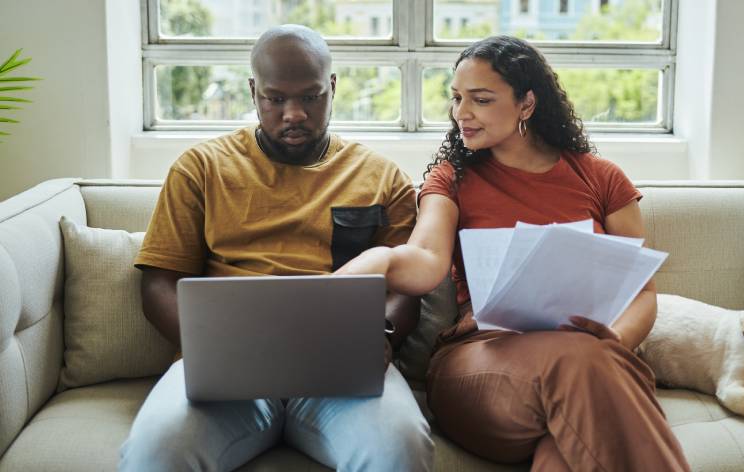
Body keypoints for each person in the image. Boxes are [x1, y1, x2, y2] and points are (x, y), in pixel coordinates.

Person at [336, 36, 691, 471]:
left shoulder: (602, 179)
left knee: (568, 438)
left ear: (527, 104)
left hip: (586, 366)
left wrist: (614, 342)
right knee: (582, 364)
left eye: (480, 100)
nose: (460, 113)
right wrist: (380, 262)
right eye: (456, 98)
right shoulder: (452, 179)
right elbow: (427, 258)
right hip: (481, 362)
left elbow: (640, 292)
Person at [119, 25, 434, 472]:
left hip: (341, 376)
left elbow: (406, 289)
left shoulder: (382, 178)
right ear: (253, 91)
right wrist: (221, 351)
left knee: (399, 447)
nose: (294, 114)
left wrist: (378, 335)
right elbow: (158, 285)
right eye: (275, 98)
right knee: (157, 450)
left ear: (333, 88)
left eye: (310, 97)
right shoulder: (201, 169)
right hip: (227, 377)